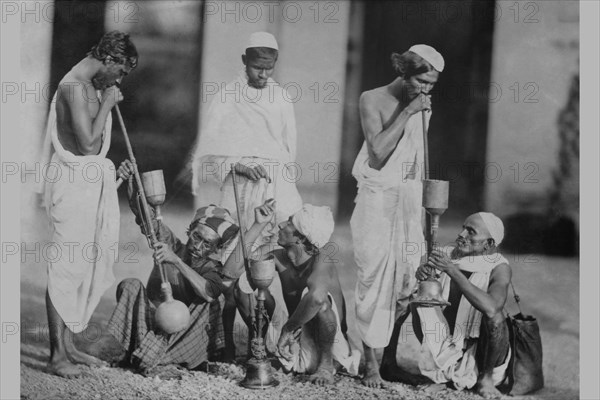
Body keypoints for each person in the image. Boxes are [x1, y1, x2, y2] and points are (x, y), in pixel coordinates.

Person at [191, 31, 302, 361]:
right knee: (228, 263)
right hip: (237, 188)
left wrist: (277, 178)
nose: (263, 74)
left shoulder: (282, 98)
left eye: (269, 68)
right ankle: (222, 343)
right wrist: (237, 165)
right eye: (257, 67)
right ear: (244, 62)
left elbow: (288, 149)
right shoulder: (227, 95)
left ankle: (269, 341)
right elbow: (209, 147)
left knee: (269, 266)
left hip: (273, 186)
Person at [108, 160, 277, 376]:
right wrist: (132, 181)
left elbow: (209, 293)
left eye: (208, 244)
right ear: (189, 231)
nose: (198, 246)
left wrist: (175, 261)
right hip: (151, 327)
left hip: (182, 335)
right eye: (197, 237)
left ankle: (153, 359)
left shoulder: (211, 268)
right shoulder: (170, 243)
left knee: (214, 299)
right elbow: (145, 217)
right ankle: (146, 355)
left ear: (217, 247)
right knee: (129, 285)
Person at [37, 31, 138, 378]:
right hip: (70, 187)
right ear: (109, 59)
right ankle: (55, 356)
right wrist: (109, 103)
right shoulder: (74, 87)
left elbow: (92, 156)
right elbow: (86, 145)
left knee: (80, 269)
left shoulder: (91, 85)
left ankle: (68, 347)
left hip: (86, 185)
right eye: (121, 71)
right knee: (65, 267)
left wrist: (114, 177)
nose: (120, 80)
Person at [350, 44, 445, 387]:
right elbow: (376, 155)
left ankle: (388, 361)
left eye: (432, 85)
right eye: (421, 81)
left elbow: (414, 163)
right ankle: (369, 365)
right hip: (376, 203)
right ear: (405, 72)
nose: (426, 90)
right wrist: (408, 113)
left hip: (407, 202)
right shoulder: (370, 99)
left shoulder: (422, 106)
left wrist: (422, 212)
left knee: (406, 283)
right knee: (373, 281)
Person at [382, 213, 512, 400]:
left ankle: (486, 380)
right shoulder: (446, 254)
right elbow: (421, 293)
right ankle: (440, 374)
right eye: (463, 228)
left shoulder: (499, 267)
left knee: (496, 319)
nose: (462, 234)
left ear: (489, 244)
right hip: (446, 346)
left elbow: (492, 308)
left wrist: (451, 270)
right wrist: (424, 276)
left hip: (481, 353)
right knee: (418, 298)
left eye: (471, 232)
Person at [232, 204, 361, 385]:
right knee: (241, 288)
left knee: (321, 301)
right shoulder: (278, 256)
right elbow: (233, 270)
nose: (281, 224)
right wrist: (257, 225)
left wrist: (287, 329)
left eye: (290, 222)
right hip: (296, 339)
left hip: (329, 347)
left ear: (301, 237)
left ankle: (325, 367)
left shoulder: (323, 259)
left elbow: (316, 298)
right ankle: (261, 351)